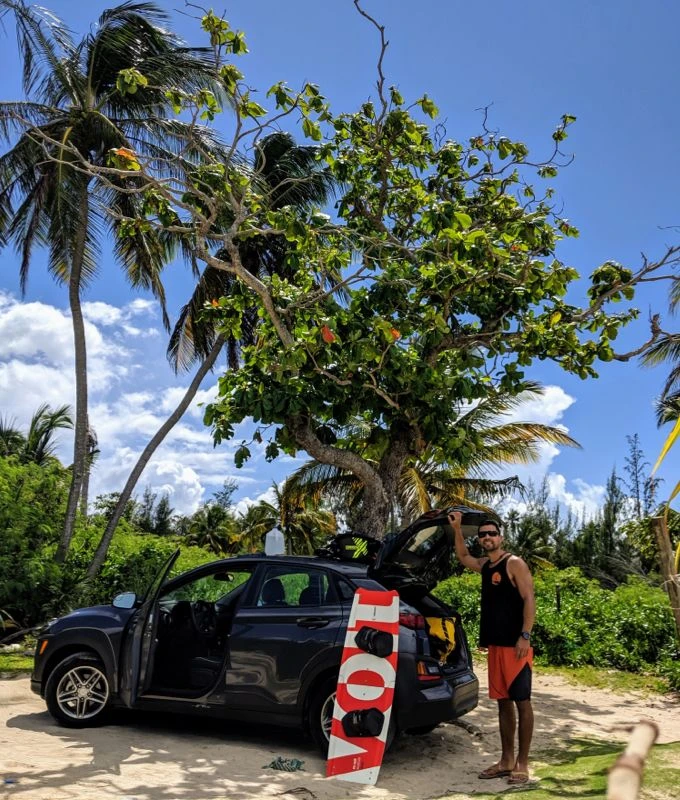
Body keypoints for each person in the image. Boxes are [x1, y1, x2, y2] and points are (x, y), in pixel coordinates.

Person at [447, 510, 536, 786]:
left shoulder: (514, 563)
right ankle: (506, 760)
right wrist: (458, 529)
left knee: (522, 701)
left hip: (516, 646)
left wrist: (525, 635)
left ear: (501, 537)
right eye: (483, 535)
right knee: (503, 703)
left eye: (491, 534)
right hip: (496, 646)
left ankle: (522, 762)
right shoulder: (486, 566)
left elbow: (529, 599)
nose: (487, 538)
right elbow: (463, 558)